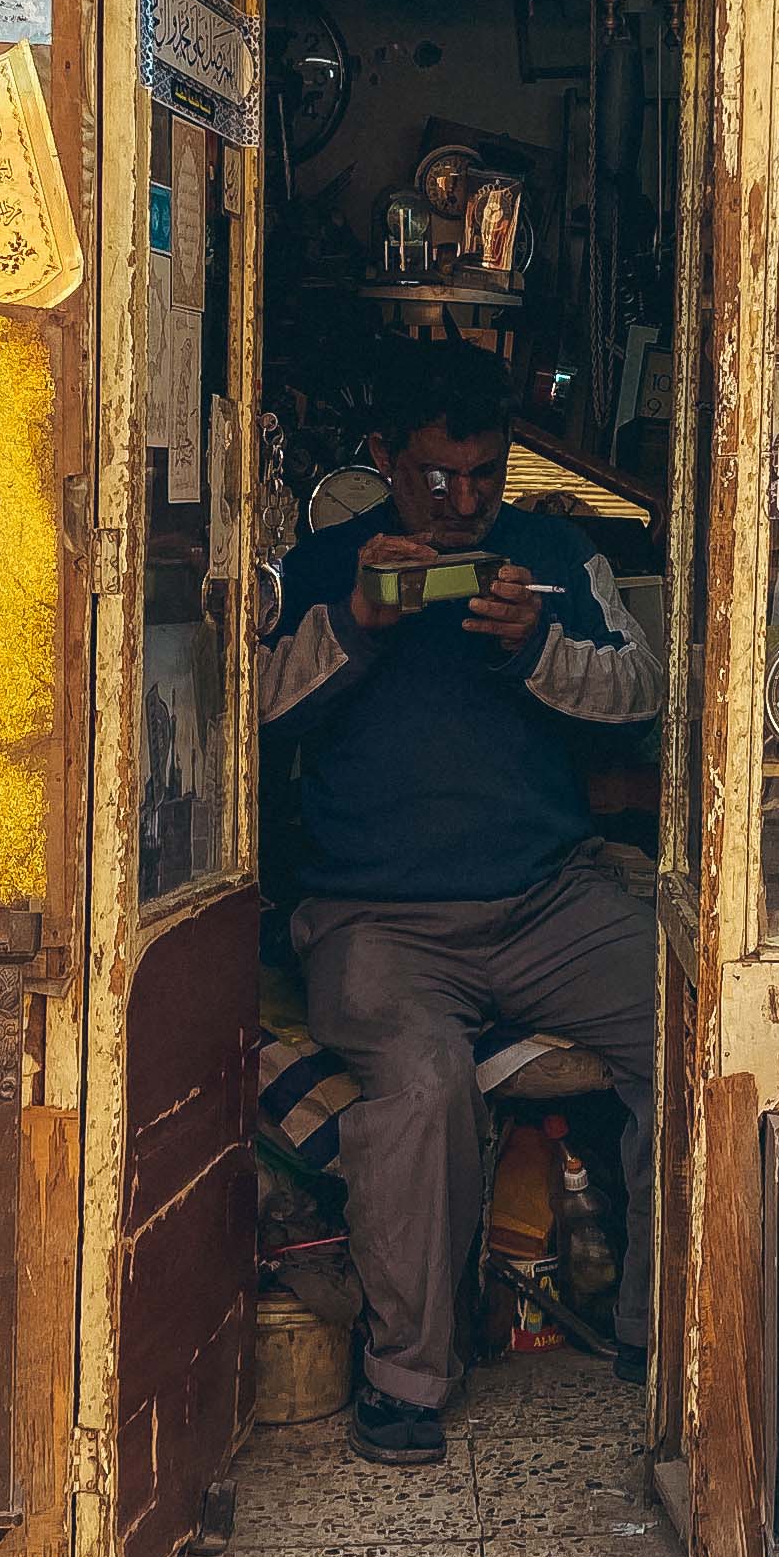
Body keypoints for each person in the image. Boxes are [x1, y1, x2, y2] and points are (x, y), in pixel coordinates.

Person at [261, 342, 661, 1466]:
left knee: (689, 1024)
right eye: (437, 477)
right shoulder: (321, 562)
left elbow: (638, 691)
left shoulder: (550, 554)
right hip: (372, 919)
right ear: (385, 457)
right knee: (421, 1085)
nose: (463, 501)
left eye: (484, 476)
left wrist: (534, 645)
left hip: (546, 901)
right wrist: (358, 622)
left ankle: (659, 1331)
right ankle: (406, 1381)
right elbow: (248, 707)